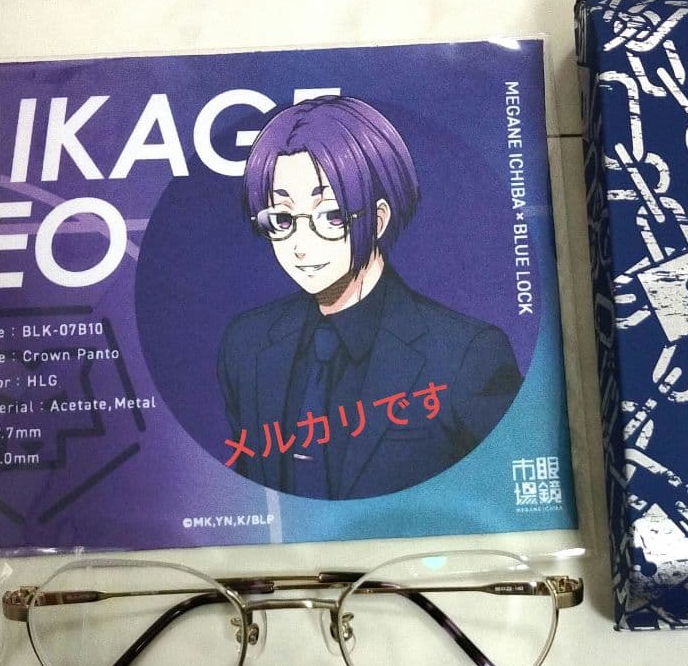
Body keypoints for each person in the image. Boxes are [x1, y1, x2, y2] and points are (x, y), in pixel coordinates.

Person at [217, 96, 521, 499]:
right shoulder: (246, 344)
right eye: (283, 219)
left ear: (378, 220)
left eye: (330, 216)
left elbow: (502, 496)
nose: (300, 246)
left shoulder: (466, 355)